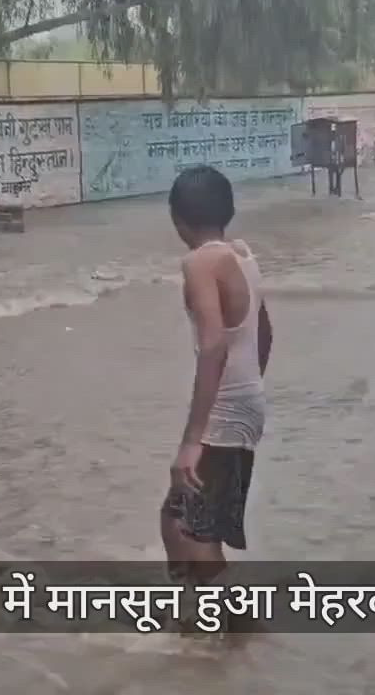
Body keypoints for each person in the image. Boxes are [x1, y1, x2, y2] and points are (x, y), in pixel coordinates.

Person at [160, 165, 273, 601]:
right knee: (176, 520)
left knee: (196, 531)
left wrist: (192, 439)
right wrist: (249, 392)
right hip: (244, 404)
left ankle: (243, 631)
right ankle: (189, 616)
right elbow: (265, 333)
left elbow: (212, 347)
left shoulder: (200, 262)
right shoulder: (243, 256)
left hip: (225, 413)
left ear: (177, 219)